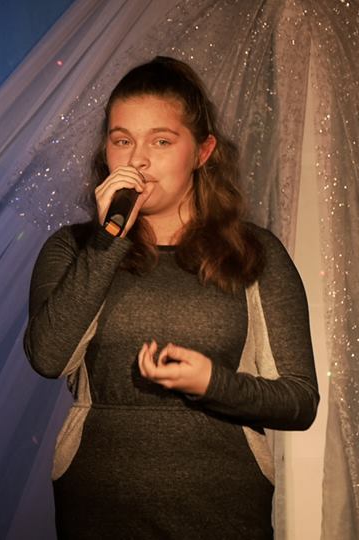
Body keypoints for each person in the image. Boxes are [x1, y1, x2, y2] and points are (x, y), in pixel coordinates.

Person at [23, 56, 318, 538]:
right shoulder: (74, 247)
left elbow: (299, 401)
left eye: (161, 141)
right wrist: (108, 240)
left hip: (224, 513)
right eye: (123, 140)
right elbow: (47, 357)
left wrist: (212, 384)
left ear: (202, 152)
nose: (138, 160)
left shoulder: (254, 252)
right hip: (100, 510)